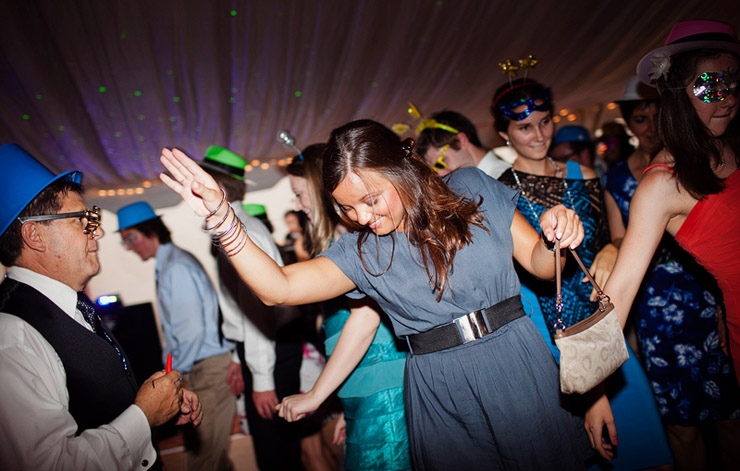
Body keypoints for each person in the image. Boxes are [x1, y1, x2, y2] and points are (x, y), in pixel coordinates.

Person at [159, 119, 593, 470]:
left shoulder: (470, 187)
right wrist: (223, 218)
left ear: (399, 170)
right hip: (439, 386)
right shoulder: (361, 252)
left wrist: (556, 233)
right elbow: (279, 289)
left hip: (516, 363)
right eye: (346, 208)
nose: (363, 217)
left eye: (370, 199)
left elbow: (539, 262)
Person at [492, 78, 673, 470]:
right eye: (525, 127)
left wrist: (610, 249)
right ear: (503, 133)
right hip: (549, 324)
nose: (539, 134)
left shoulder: (584, 173)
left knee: (646, 447)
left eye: (544, 121)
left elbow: (619, 237)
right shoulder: (499, 191)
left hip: (603, 314)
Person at [587, 19, 740, 467]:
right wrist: (594, 391)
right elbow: (621, 290)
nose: (727, 97)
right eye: (711, 85)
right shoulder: (662, 183)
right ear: (677, 93)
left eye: (733, 82)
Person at [0, 143, 202, 470]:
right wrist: (143, 415)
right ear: (35, 235)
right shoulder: (12, 337)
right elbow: (52, 464)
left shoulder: (69, 302)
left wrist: (155, 404)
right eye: (83, 220)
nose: (99, 231)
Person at [285, 143, 411, 470]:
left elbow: (367, 316)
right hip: (360, 382)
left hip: (381, 380)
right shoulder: (336, 237)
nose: (297, 205)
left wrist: (317, 394)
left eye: (300, 194)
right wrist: (345, 403)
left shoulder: (354, 234)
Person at [197, 145, 307, 471]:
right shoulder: (235, 225)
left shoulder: (240, 232)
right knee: (276, 450)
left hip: (271, 349)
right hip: (264, 348)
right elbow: (239, 306)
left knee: (276, 455)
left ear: (216, 189)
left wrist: (262, 380)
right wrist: (237, 356)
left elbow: (259, 312)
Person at [116, 200, 234, 471]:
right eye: (125, 242)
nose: (130, 247)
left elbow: (190, 333)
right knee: (213, 459)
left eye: (131, 238)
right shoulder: (170, 264)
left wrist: (173, 376)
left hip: (206, 371)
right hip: (200, 368)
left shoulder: (176, 267)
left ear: (151, 231)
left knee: (203, 461)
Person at [414, 110, 511, 178]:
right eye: (434, 171)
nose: (441, 174)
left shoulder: (504, 179)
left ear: (461, 140)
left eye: (441, 163)